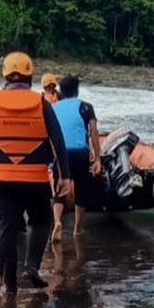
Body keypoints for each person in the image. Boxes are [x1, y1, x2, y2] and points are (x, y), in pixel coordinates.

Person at [0, 53, 71, 293]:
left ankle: (8, 285)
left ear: (5, 75)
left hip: (3, 181)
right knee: (42, 221)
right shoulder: (41, 103)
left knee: (6, 229)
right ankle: (32, 267)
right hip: (35, 179)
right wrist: (65, 176)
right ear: (30, 77)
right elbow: (57, 141)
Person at [51, 76, 102, 241]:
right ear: (77, 90)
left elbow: (49, 133)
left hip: (61, 153)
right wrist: (97, 159)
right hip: (80, 152)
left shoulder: (53, 107)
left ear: (61, 90)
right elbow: (94, 132)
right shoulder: (86, 107)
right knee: (81, 189)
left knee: (60, 188)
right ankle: (77, 230)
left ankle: (58, 221)